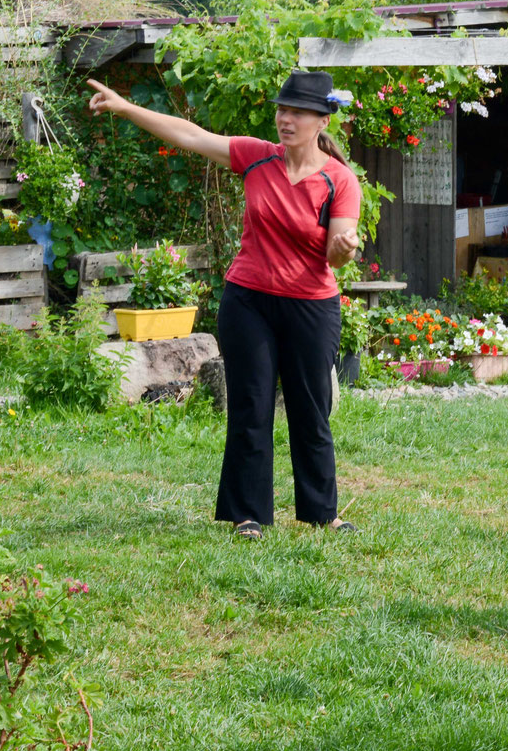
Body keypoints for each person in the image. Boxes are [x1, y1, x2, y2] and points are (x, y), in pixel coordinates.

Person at [85, 70, 362, 539]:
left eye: (296, 112)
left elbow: (338, 247)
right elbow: (191, 135)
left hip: (311, 306)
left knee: (310, 409)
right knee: (250, 406)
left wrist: (343, 248)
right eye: (282, 110)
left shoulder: (339, 180)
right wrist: (125, 107)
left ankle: (321, 512)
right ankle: (247, 515)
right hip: (249, 301)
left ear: (321, 120)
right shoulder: (256, 158)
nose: (285, 119)